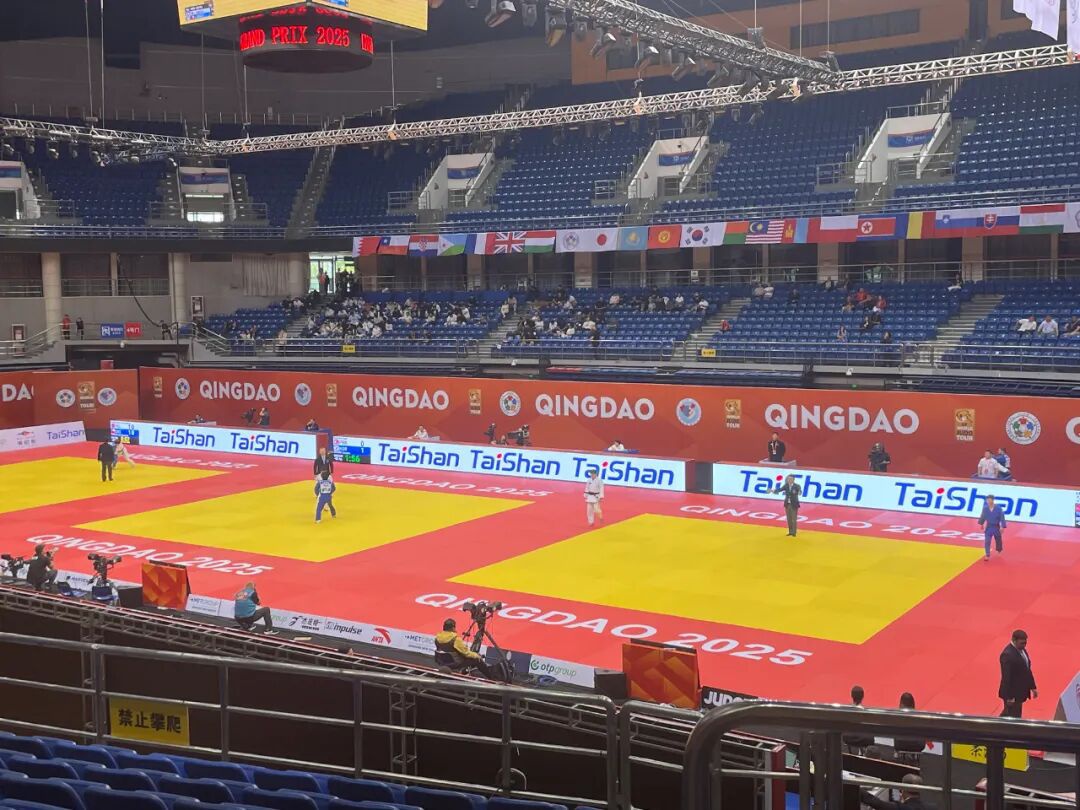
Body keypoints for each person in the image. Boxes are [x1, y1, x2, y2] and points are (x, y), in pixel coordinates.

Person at [998, 629, 1036, 718]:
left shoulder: (1022, 650)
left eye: (1025, 643)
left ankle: (995, 724)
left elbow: (1027, 669)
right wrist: (1009, 697)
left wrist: (1032, 687)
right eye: (1022, 643)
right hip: (1012, 694)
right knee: (1013, 716)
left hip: (1019, 692)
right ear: (1014, 640)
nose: (1024, 645)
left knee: (1010, 714)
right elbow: (1006, 677)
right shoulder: (1007, 655)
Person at [859, 774, 930, 810]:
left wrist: (855, 785)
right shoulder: (931, 806)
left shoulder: (901, 808)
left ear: (902, 789)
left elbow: (875, 802)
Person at [893, 693, 924, 764]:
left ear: (901, 703)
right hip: (918, 745)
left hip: (901, 743)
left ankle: (896, 755)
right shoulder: (920, 716)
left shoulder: (897, 716)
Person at [844, 685, 874, 754]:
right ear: (862, 696)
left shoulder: (847, 711)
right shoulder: (866, 712)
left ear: (852, 696)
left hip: (848, 738)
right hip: (862, 739)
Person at [978, 494, 1007, 561]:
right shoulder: (985, 509)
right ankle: (987, 555)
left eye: (989, 500)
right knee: (987, 541)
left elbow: (1002, 517)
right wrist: (981, 524)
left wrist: (1002, 526)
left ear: (993, 500)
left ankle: (999, 549)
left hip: (996, 527)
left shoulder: (998, 508)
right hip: (989, 527)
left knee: (998, 540)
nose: (988, 501)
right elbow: (983, 516)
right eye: (987, 500)